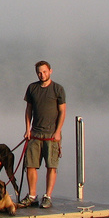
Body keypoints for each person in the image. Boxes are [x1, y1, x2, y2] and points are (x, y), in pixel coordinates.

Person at [21, 61, 66, 208]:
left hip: (51, 134)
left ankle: (47, 196)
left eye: (45, 72)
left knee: (51, 166)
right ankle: (32, 196)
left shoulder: (58, 89)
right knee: (30, 165)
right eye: (39, 72)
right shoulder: (32, 88)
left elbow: (62, 111)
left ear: (50, 71)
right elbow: (28, 110)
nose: (42, 75)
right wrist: (27, 130)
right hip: (35, 133)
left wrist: (58, 131)